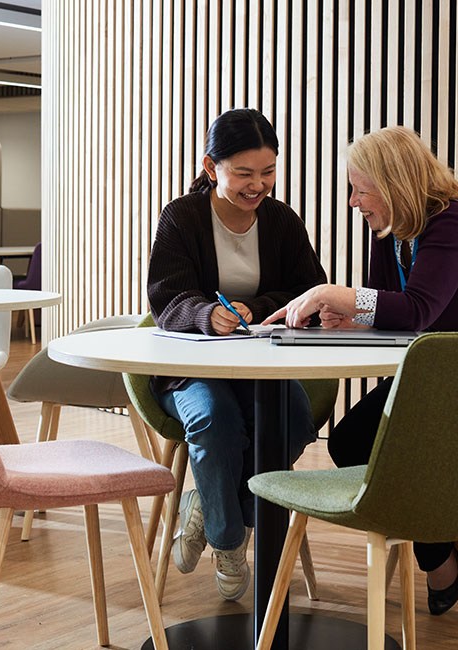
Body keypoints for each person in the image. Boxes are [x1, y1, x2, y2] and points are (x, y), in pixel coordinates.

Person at [264, 125, 458, 615]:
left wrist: (331, 294)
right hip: (435, 375)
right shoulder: (391, 231)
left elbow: (416, 310)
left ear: (392, 185)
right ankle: (454, 538)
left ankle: (440, 553)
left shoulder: (453, 222)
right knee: (349, 443)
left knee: (376, 450)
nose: (352, 201)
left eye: (359, 189)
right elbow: (388, 310)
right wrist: (351, 319)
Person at [147, 108, 326, 601]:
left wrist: (260, 307)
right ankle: (229, 543)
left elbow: (310, 290)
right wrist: (207, 315)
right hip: (190, 370)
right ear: (211, 168)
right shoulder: (181, 218)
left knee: (292, 416)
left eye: (268, 172)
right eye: (244, 173)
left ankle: (209, 502)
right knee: (215, 421)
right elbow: (166, 299)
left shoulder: (282, 221)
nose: (258, 185)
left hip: (260, 368)